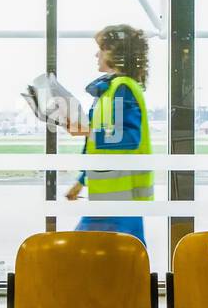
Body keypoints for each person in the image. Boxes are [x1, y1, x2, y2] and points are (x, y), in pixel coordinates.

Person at [64, 24, 153, 244]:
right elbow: (97, 145)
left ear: (115, 54)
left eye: (101, 49)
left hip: (120, 199)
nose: (97, 54)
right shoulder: (109, 91)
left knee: (87, 254)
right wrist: (82, 181)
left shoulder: (122, 88)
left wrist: (89, 131)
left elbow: (129, 139)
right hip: (108, 195)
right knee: (117, 260)